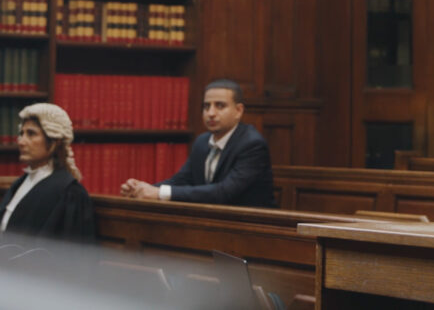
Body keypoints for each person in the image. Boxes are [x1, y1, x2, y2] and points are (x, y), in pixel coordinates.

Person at [121, 79, 275, 207]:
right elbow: (181, 180)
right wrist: (142, 189)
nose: (211, 113)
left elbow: (223, 192)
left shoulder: (252, 145)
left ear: (239, 111)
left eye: (220, 106)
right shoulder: (202, 141)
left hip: (251, 228)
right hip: (213, 222)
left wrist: (158, 193)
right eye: (206, 106)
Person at [0, 103, 95, 242]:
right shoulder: (19, 184)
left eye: (31, 134)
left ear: (55, 141)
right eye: (21, 133)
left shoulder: (70, 193)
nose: (21, 141)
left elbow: (74, 256)